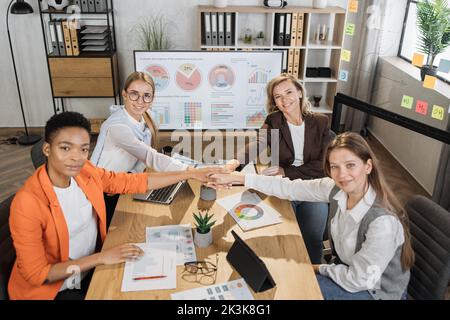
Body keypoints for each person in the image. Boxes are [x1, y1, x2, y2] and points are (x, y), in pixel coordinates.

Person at [8, 111, 218, 300]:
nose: (76, 158)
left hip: (93, 266)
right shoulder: (27, 203)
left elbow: (132, 182)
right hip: (57, 290)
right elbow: (38, 275)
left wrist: (189, 173)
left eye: (83, 149)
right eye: (65, 148)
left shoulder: (85, 171)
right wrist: (101, 258)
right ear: (47, 148)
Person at [211, 132, 414, 300]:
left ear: (367, 166)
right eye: (334, 167)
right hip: (345, 270)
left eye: (350, 165)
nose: (342, 174)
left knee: (294, 290)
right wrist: (238, 177)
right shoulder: (336, 189)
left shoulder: (382, 223)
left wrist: (315, 268)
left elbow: (358, 280)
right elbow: (288, 187)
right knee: (285, 280)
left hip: (374, 291)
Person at [237, 73, 331, 264]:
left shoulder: (320, 122)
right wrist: (233, 164)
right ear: (275, 102)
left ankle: (314, 277)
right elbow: (258, 143)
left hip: (314, 187)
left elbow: (324, 166)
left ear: (299, 93)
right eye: (278, 96)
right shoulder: (274, 121)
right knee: (279, 233)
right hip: (284, 187)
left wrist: (285, 171)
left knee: (312, 238)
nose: (284, 99)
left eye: (288, 92)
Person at [90, 71, 192, 226]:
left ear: (152, 99)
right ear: (124, 94)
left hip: (124, 183)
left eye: (146, 96)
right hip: (103, 191)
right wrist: (191, 171)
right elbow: (150, 156)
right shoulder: (118, 127)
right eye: (134, 94)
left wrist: (133, 175)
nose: (140, 101)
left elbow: (142, 159)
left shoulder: (146, 117)